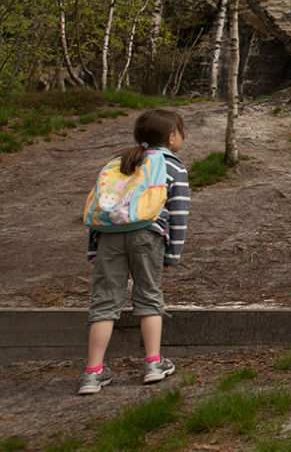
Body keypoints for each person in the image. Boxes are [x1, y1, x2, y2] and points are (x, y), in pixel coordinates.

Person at [79, 108, 191, 395]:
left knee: (104, 300)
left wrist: (94, 247)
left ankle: (92, 373)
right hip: (148, 236)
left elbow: (103, 206)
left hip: (108, 238)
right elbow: (179, 213)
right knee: (149, 296)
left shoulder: (121, 162)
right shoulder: (173, 167)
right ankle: (153, 363)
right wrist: (172, 254)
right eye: (180, 133)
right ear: (171, 137)